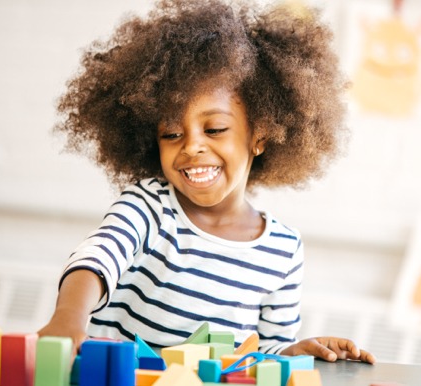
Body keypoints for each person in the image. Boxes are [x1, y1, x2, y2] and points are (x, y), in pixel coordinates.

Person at [38, 0, 376, 364]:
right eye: (170, 133)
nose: (192, 145)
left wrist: (295, 351)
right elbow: (97, 257)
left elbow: (263, 352)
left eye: (214, 129)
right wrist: (69, 316)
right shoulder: (148, 206)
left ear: (259, 135)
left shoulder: (284, 250)